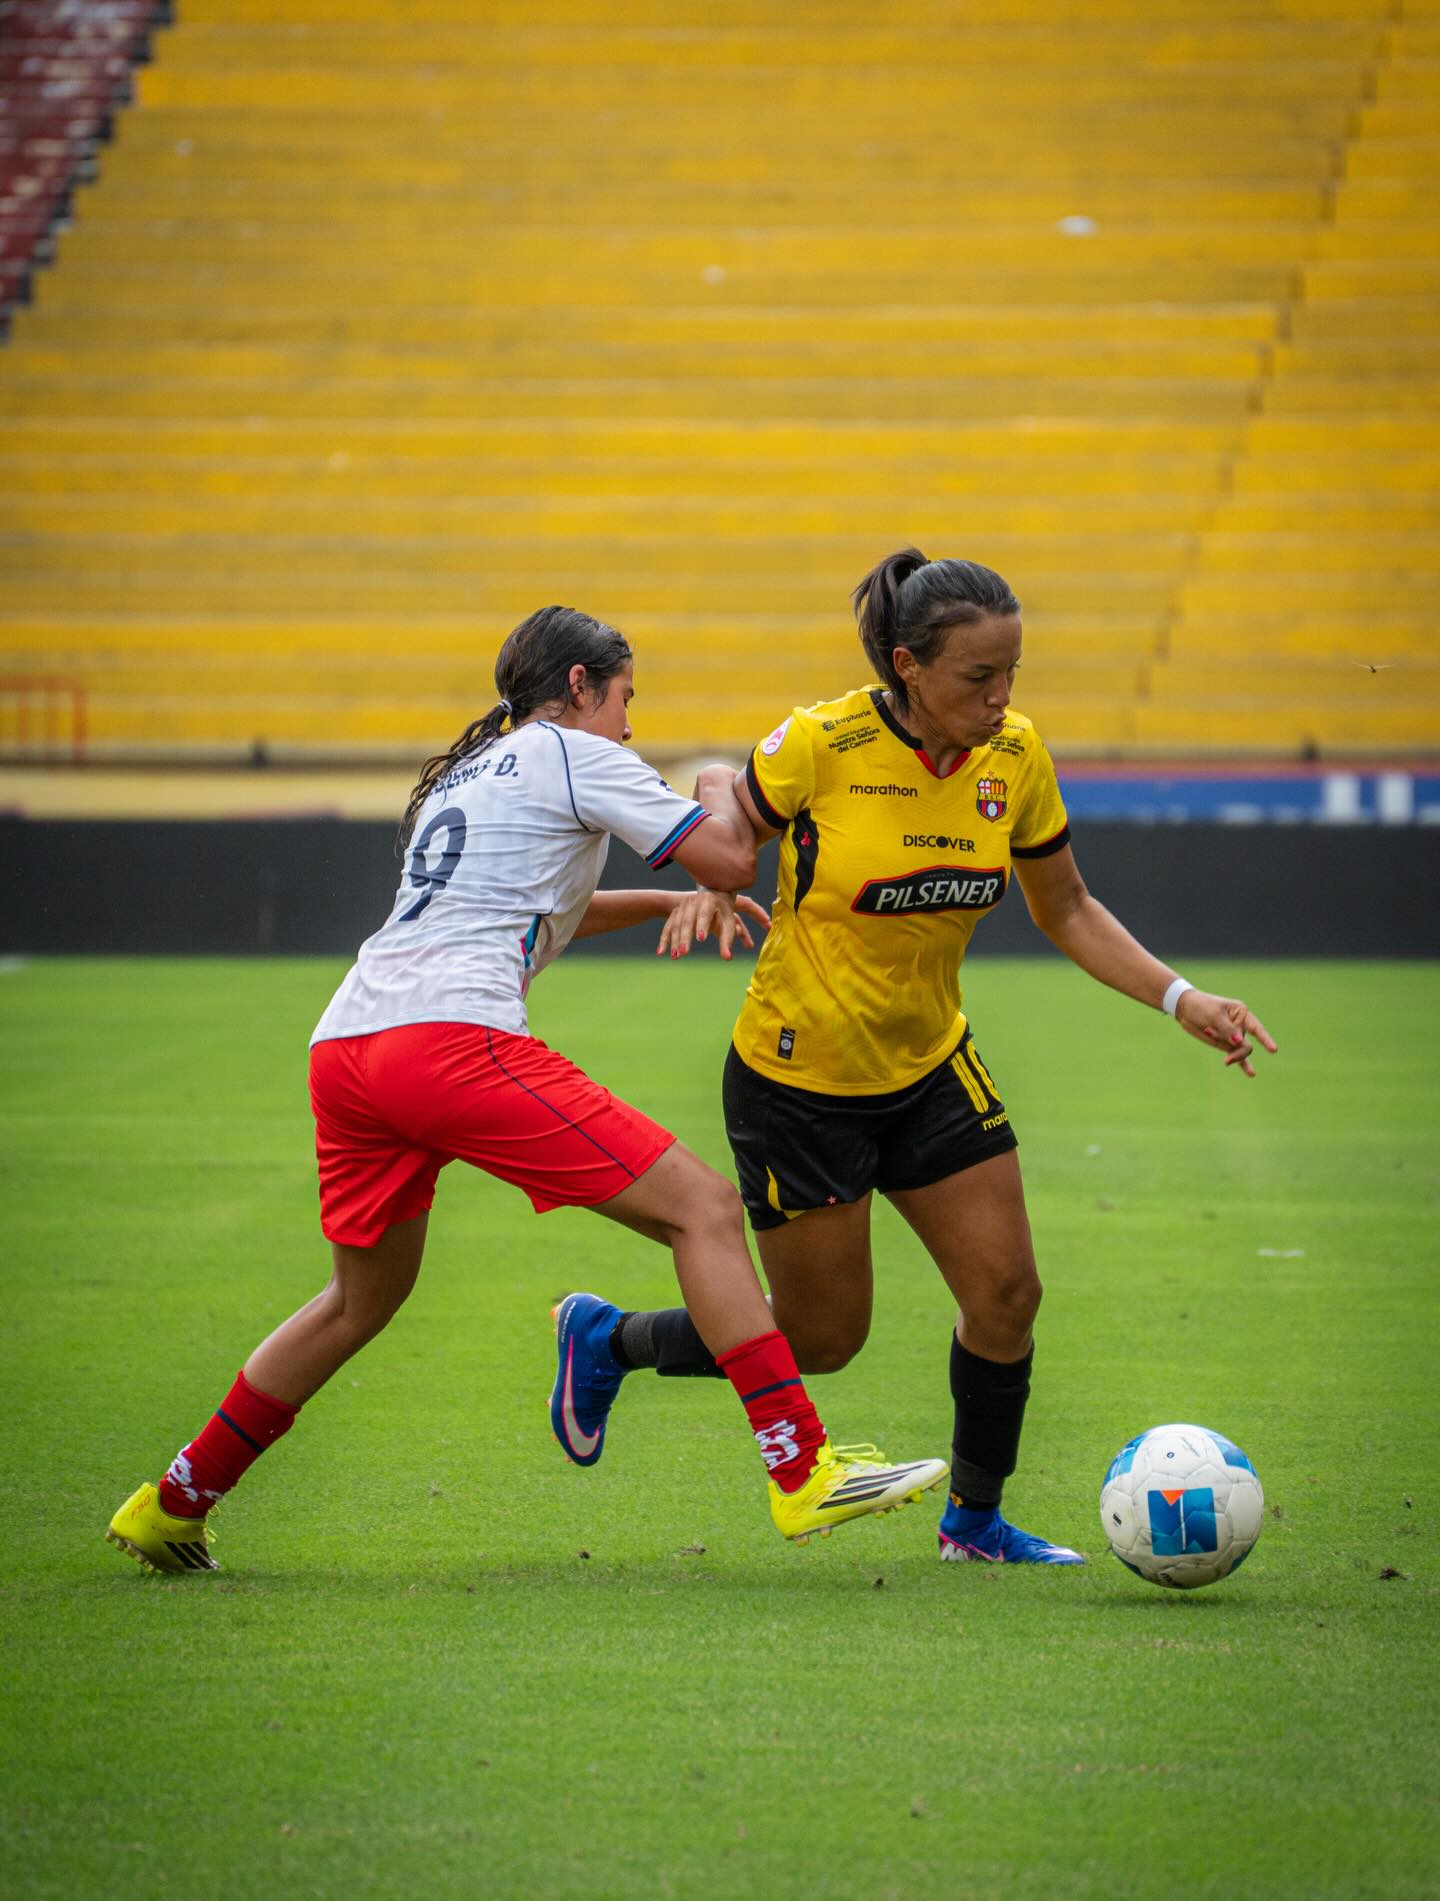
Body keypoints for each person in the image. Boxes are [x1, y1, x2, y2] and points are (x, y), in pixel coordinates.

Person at [105, 605, 946, 1574]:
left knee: (355, 1302)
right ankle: (801, 1469)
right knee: (705, 1210)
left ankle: (172, 1502)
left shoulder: (474, 769)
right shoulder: (575, 753)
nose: (631, 725)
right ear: (581, 687)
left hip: (348, 1046)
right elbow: (728, 855)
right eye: (626, 697)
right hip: (449, 1042)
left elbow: (541, 910)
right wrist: (722, 779)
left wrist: (669, 901)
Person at [550, 551, 1278, 1566]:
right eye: (978, 679)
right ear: (907, 665)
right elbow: (729, 808)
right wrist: (715, 873)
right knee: (821, 1342)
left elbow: (1063, 905)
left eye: (1012, 673)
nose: (1001, 698)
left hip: (931, 1067)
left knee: (1008, 1295)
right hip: (797, 1086)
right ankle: (609, 1338)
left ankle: (973, 1526)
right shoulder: (826, 741)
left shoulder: (1014, 756)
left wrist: (1179, 995)